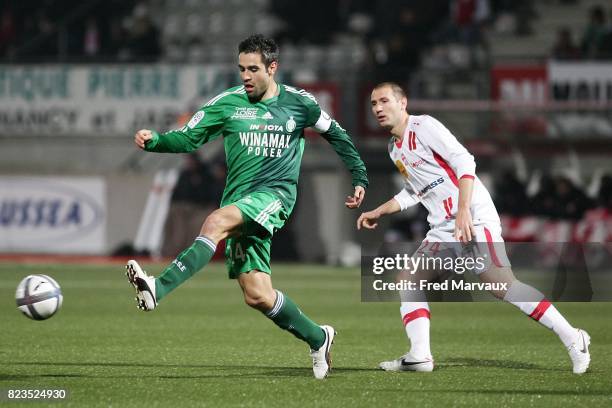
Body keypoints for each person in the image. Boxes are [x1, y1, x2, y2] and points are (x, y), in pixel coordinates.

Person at [126, 34, 368, 379]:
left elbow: (338, 135)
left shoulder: (301, 104)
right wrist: (157, 141)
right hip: (240, 200)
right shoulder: (228, 103)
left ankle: (158, 288)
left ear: (273, 68)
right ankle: (319, 337)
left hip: (275, 196)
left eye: (253, 69)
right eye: (241, 69)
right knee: (257, 294)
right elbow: (190, 137)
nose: (245, 76)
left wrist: (359, 177)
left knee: (215, 221)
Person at [357, 82, 590, 374]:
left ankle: (574, 337)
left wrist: (463, 210)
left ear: (402, 103)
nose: (378, 108)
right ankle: (420, 356)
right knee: (409, 280)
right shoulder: (394, 148)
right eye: (373, 104)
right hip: (443, 227)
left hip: (473, 218)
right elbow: (416, 191)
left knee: (503, 286)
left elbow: (465, 160)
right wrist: (381, 209)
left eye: (384, 101)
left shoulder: (425, 126)